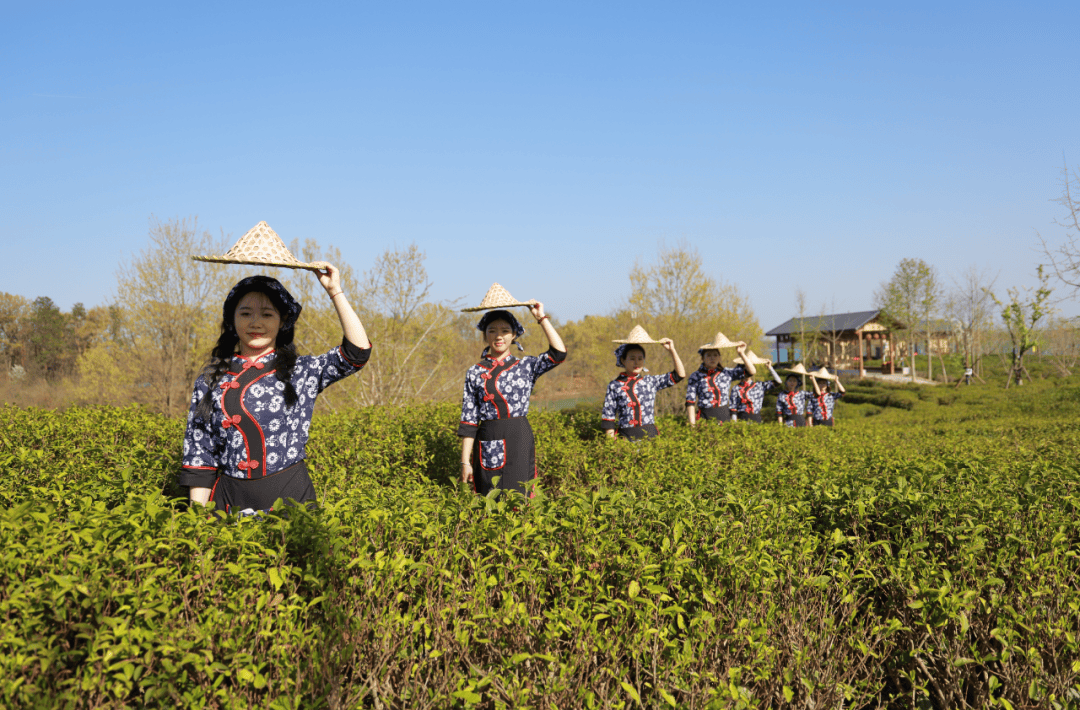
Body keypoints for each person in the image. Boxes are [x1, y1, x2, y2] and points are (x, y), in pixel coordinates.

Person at [179, 269, 371, 514]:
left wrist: (335, 291)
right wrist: (197, 519)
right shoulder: (211, 378)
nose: (255, 322)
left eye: (267, 314)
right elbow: (199, 453)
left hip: (291, 497)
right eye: (245, 313)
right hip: (228, 502)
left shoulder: (301, 371)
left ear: (282, 322)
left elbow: (357, 352)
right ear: (232, 319)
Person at [458, 305, 566, 497]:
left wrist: (541, 318)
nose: (498, 336)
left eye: (505, 331)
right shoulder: (475, 372)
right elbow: (469, 420)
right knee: (489, 499)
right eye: (492, 331)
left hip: (519, 438)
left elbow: (558, 353)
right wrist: (465, 462)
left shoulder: (526, 366)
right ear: (484, 335)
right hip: (487, 439)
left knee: (519, 496)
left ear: (514, 335)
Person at [601, 337, 686, 440]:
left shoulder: (650, 382)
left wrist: (672, 350)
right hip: (626, 437)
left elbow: (680, 375)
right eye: (632, 358)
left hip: (651, 436)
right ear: (623, 360)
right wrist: (611, 443)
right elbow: (608, 415)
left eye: (640, 358)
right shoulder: (614, 385)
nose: (636, 362)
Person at [685, 336, 756, 426]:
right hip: (704, 417)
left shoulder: (727, 373)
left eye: (715, 355)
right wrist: (692, 424)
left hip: (724, 416)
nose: (712, 358)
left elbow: (752, 371)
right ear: (702, 358)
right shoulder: (695, 376)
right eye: (709, 355)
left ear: (719, 358)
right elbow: (690, 401)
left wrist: (741, 354)